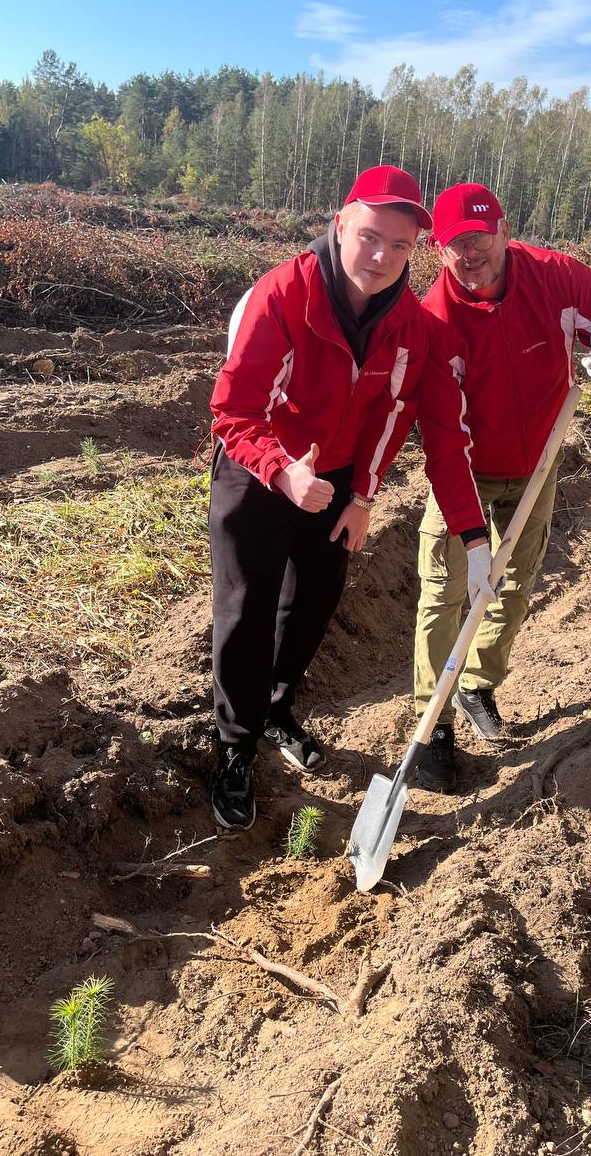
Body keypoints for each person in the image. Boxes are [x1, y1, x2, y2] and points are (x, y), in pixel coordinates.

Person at [209, 166, 488, 830]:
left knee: (314, 601)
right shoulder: (281, 297)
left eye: (398, 247)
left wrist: (360, 497)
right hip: (257, 471)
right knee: (245, 612)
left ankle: (276, 709)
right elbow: (234, 411)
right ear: (340, 224)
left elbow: (391, 416)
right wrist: (282, 472)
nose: (381, 258)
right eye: (369, 237)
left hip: (333, 482)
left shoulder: (408, 325)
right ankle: (234, 747)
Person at [413, 182, 591, 792]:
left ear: (503, 230)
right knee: (444, 589)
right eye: (452, 245)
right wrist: (471, 537)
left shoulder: (556, 279)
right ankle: (433, 720)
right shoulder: (434, 319)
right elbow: (442, 437)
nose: (468, 255)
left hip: (536, 464)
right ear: (439, 251)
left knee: (517, 583)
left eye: (478, 239)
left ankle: (476, 686)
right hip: (466, 467)